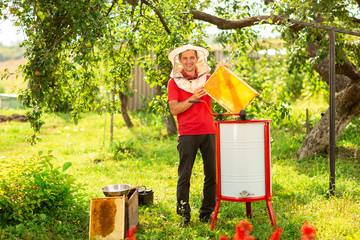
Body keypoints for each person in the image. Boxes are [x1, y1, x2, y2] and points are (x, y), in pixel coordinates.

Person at [167, 44, 216, 227]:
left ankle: (206, 213)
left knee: (212, 174)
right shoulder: (173, 82)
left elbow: (227, 90)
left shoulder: (208, 79)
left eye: (191, 58)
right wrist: (193, 98)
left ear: (198, 59)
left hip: (209, 131)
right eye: (185, 58)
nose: (188, 62)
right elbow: (174, 109)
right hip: (187, 133)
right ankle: (184, 215)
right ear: (179, 61)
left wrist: (225, 72)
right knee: (184, 175)